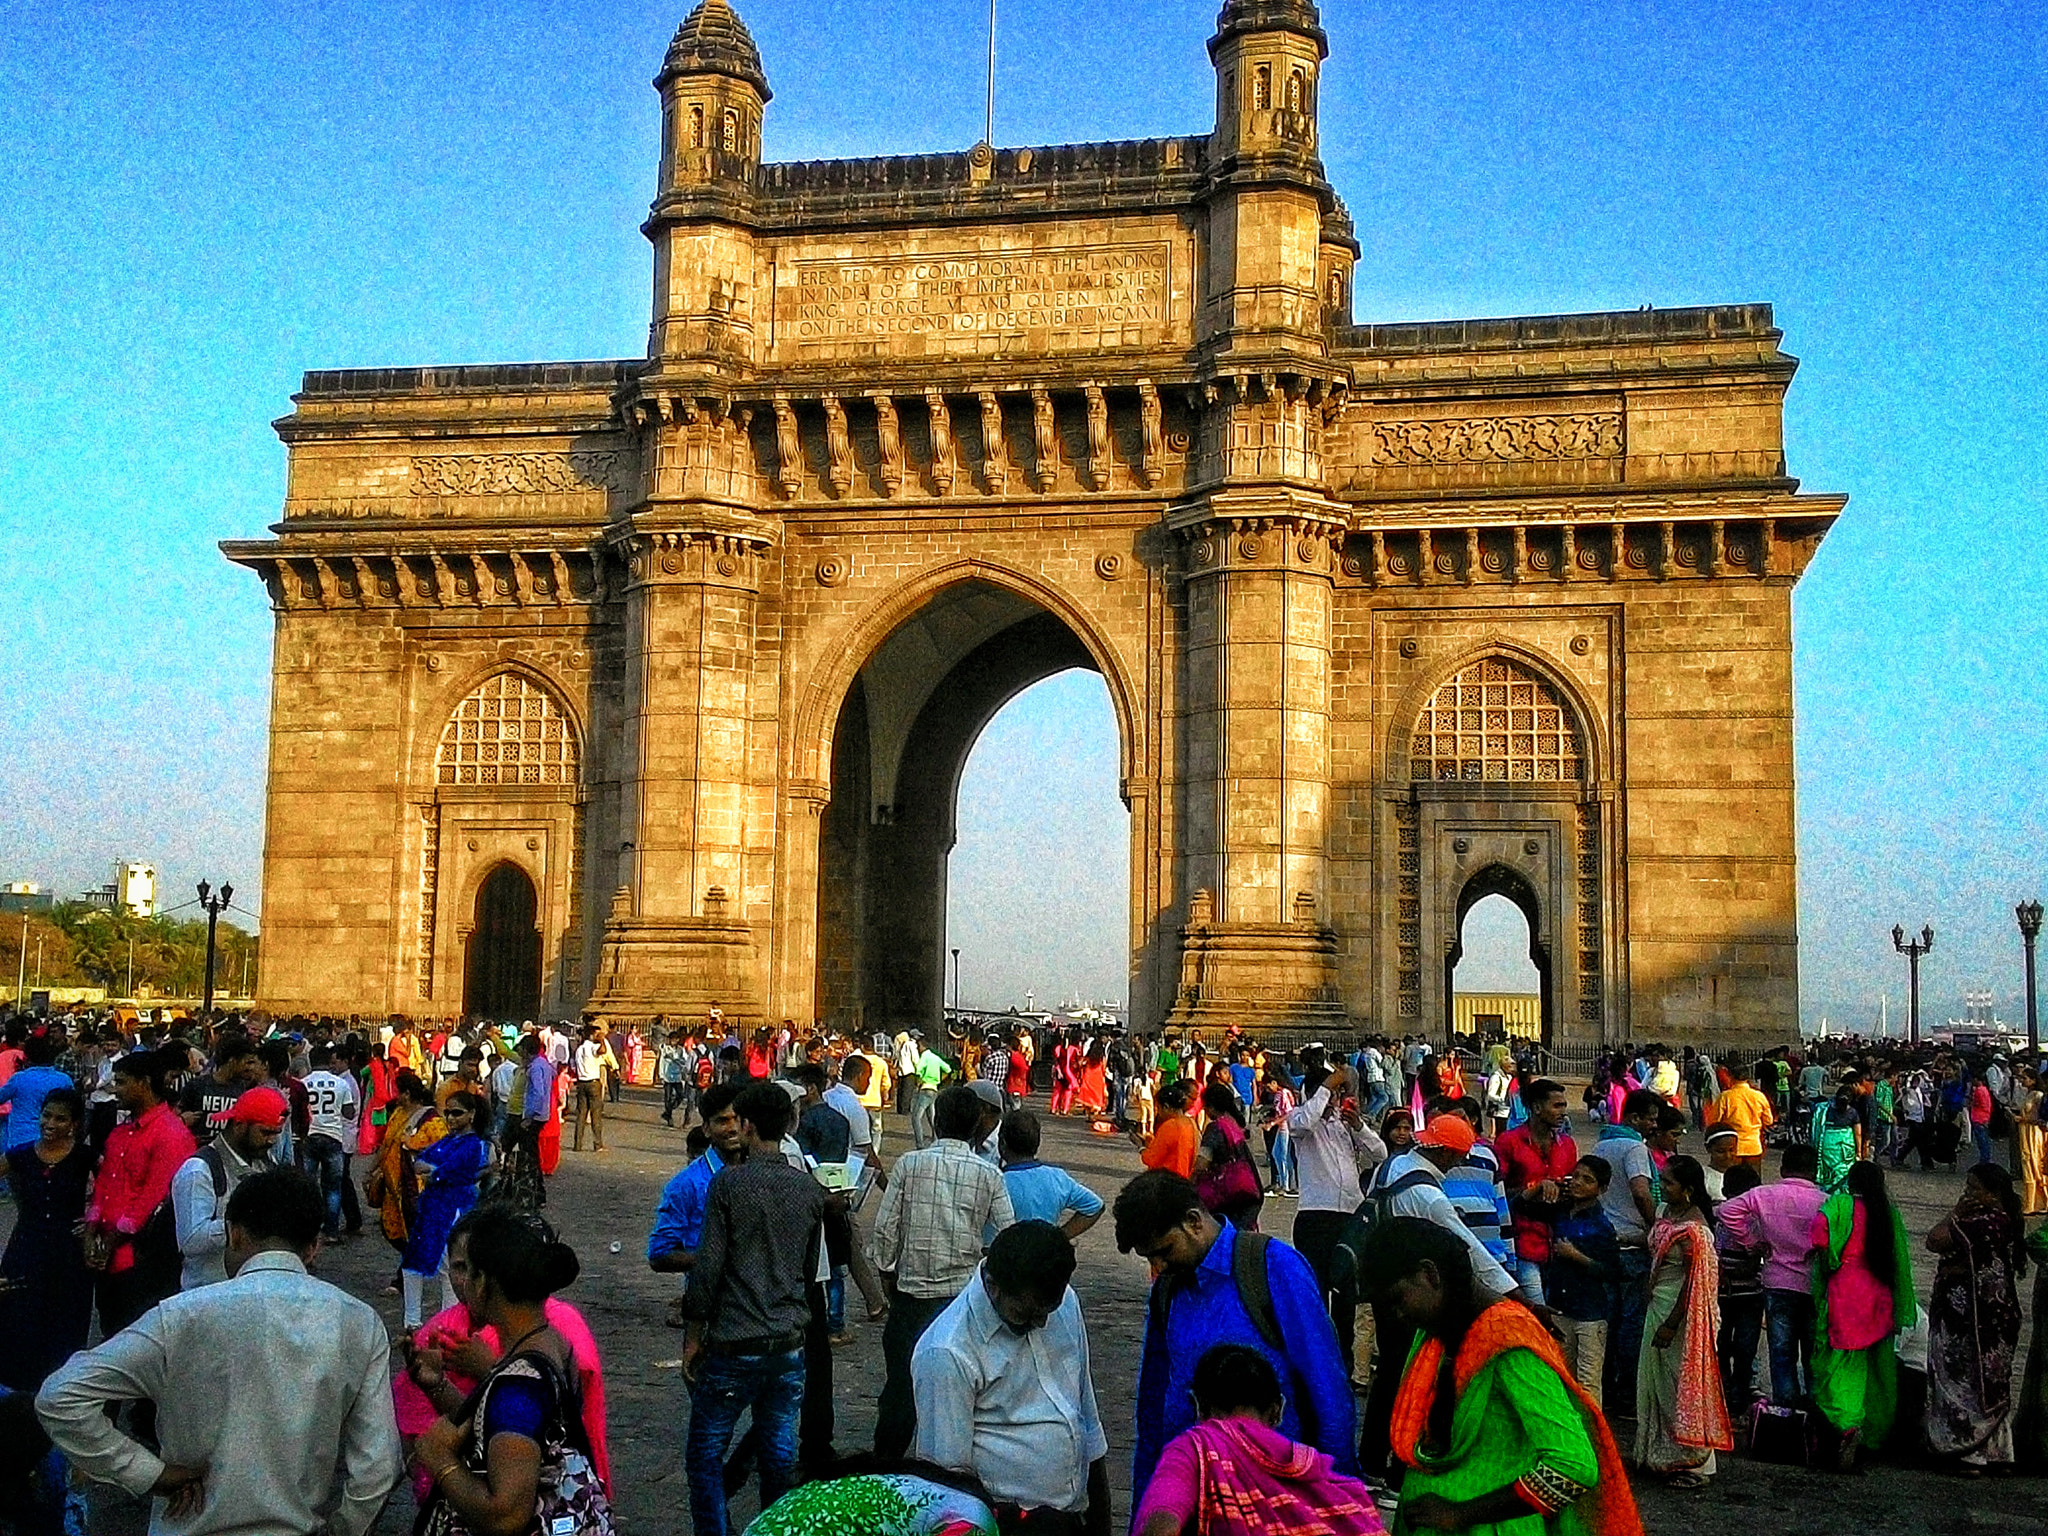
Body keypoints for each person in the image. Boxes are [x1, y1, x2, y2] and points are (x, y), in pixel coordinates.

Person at [37, 1167, 401, 1536]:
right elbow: (379, 1466)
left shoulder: (181, 1316)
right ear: (313, 1247)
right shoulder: (358, 1322)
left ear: (234, 1233)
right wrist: (345, 1528)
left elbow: (60, 1397)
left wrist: (148, 1473)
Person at [1357, 1217, 1642, 1536]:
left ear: (1429, 1274)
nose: (1396, 1314)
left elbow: (1573, 1467)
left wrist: (1462, 1513)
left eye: (1397, 1299)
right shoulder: (1440, 1333)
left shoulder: (1508, 1342)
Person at [1113, 1169, 1357, 1505]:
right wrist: (1149, 1500)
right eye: (1150, 1257)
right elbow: (1153, 1399)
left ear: (1194, 1221)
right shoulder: (1168, 1290)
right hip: (1190, 1494)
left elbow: (1326, 1386)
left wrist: (1338, 1495)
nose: (1158, 1265)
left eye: (1165, 1251)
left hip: (1271, 1495)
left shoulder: (1273, 1267)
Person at [680, 1082, 829, 1536]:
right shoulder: (808, 1189)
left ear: (746, 1125)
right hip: (787, 1341)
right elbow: (808, 1270)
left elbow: (708, 1269)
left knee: (705, 1454)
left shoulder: (729, 1184)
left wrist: (692, 1335)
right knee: (779, 1456)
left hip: (735, 1341)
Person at [410, 1203, 611, 1536]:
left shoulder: (518, 1384)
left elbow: (506, 1515)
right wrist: (438, 1386)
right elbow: (504, 1429)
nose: (460, 1282)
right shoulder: (550, 1342)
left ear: (484, 1282)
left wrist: (439, 1460)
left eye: (467, 1270)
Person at [911, 1222, 1111, 1535]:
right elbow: (947, 1485)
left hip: (1071, 1518)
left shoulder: (1064, 1301)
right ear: (993, 1285)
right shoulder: (946, 1351)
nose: (1042, 1323)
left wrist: (1100, 1517)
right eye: (1025, 1314)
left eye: (1047, 1312)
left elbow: (1086, 1417)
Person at [870, 1086, 1017, 1460]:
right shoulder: (988, 1175)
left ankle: (884, 1469)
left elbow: (885, 1229)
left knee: (901, 1389)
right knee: (957, 1393)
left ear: (934, 1120)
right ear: (975, 1127)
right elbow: (1008, 1234)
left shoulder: (908, 1164)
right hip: (960, 1302)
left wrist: (887, 1269)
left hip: (910, 1296)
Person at [1133, 1344, 1384, 1536]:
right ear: (1277, 1411)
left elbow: (1162, 1524)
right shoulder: (1316, 1475)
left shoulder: (1192, 1450)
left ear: (1197, 1405)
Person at [84, 1048, 198, 1339]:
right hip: (108, 1254)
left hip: (143, 1258)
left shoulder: (170, 1134)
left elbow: (154, 1199)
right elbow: (103, 1185)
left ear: (145, 1082)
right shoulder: (121, 1133)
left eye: (122, 1082)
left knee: (136, 1338)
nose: (115, 1089)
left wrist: (109, 1241)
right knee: (112, 1331)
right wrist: (91, 1232)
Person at [1809, 1159, 1916, 1466]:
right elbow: (1900, 1261)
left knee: (1840, 1365)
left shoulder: (1840, 1204)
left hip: (1845, 1293)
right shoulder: (1888, 1214)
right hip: (1878, 1296)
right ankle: (1871, 1430)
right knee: (1874, 1368)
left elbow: (1819, 1235)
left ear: (1851, 1181)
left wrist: (1830, 1260)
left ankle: (1846, 1424)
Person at [1634, 1155, 1730, 1489]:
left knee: (1679, 1383)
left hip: (1683, 1313)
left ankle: (1694, 1462)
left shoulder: (1696, 1229)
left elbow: (1694, 1282)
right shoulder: (1665, 1213)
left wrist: (1672, 1323)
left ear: (1688, 1190)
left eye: (1669, 1182)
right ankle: (1658, 1453)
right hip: (1657, 1305)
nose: (1662, 1185)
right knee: (1655, 1381)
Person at [1286, 1059, 1387, 1367]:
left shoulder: (1345, 1126)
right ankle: (1316, 1359)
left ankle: (1342, 1358)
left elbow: (1380, 1153)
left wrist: (1358, 1126)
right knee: (1318, 1293)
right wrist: (1326, 1087)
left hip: (1349, 1215)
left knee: (1346, 1297)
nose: (1335, 1099)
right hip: (1317, 1216)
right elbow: (1305, 1120)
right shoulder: (1301, 1121)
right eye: (1332, 1092)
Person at [1925, 1162, 2026, 1468]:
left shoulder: (1981, 1223)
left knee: (1960, 1380)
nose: (1967, 1193)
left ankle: (1967, 1449)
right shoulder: (2006, 1220)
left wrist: (1955, 1211)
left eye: (1973, 1188)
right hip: (1994, 1315)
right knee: (1989, 1382)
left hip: (1969, 1317)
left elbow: (1934, 1240)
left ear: (1991, 1192)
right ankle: (1995, 1452)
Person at [1715, 1143, 1828, 1407]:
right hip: (1813, 1284)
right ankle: (1814, 1409)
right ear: (1814, 1171)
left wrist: (1752, 1240)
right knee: (1813, 1351)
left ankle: (1784, 1409)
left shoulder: (1763, 1194)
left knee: (1781, 1351)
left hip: (1777, 1282)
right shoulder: (1826, 1201)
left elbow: (1726, 1211)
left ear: (1783, 1168)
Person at [0, 1090, 94, 1392]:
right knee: (19, 1328)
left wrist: (96, 1219)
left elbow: (116, 1190)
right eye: (47, 1115)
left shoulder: (85, 1158)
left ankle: (59, 1402)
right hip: (25, 1254)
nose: (50, 1123)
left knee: (64, 1332)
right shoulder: (20, 1156)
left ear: (75, 1124)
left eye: (60, 1118)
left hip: (69, 1259)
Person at [1589, 1089, 1662, 1415]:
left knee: (1607, 1319)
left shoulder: (1601, 1144)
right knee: (1632, 1322)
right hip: (1632, 1245)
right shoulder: (1634, 1148)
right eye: (1650, 1118)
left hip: (1605, 1241)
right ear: (1633, 1117)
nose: (1653, 1125)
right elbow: (1641, 1191)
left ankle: (1602, 1386)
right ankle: (1627, 1392)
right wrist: (1657, 1226)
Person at [172, 1086, 286, 1290]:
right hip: (206, 1294)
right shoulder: (198, 1170)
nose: (272, 1140)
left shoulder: (264, 1161)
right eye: (265, 1132)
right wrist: (247, 1221)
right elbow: (191, 1242)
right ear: (240, 1125)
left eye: (276, 1133)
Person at [402, 1091, 492, 1328]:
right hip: (431, 1207)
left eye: (457, 1113)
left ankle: (449, 1321)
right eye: (448, 1113)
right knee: (414, 1260)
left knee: (448, 1263)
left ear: (471, 1115)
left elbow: (440, 1172)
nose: (451, 1118)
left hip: (453, 1208)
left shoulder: (473, 1145)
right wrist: (433, 1171)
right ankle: (411, 1321)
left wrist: (433, 1171)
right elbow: (421, 1161)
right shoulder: (449, 1140)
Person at [1494, 1079, 1579, 1305]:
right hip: (1523, 1240)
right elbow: (1498, 1192)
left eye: (1564, 1106)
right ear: (1537, 1108)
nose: (1563, 1112)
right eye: (1557, 1106)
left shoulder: (1567, 1145)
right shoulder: (1509, 1142)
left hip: (1560, 1242)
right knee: (1536, 1311)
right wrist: (1536, 1187)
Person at [1545, 1156, 1620, 1407]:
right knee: (1560, 1376)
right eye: (1575, 1176)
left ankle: (1592, 1440)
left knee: (1587, 1383)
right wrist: (1544, 1186)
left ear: (1601, 1189)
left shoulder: (1602, 1226)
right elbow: (1522, 1206)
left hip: (1590, 1313)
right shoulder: (1560, 1211)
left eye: (1587, 1180)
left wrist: (1576, 1257)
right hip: (1560, 1305)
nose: (1577, 1183)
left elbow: (1611, 1271)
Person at [997, 1111, 1104, 1239]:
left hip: (1005, 1254)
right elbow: (1095, 1206)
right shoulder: (1057, 1177)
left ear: (1002, 1143)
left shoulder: (997, 1181)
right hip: (1046, 1253)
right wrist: (1059, 1236)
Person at [1715, 1164, 1767, 1417]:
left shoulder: (1719, 1217)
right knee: (1736, 1347)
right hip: (1745, 1294)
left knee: (1732, 1346)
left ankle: (1733, 1395)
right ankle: (1730, 1393)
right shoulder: (1754, 1220)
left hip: (1738, 1294)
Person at [301, 1043, 361, 1241]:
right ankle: (332, 1231)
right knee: (333, 1188)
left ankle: (308, 1230)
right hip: (333, 1137)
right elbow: (349, 1113)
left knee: (308, 1186)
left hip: (309, 1137)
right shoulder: (341, 1084)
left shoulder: (303, 1083)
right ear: (328, 1061)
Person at [1193, 1082, 1264, 1231]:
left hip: (1227, 1195)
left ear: (1212, 1106)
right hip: (1246, 1191)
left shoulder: (1215, 1128)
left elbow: (1201, 1164)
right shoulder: (1233, 1125)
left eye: (1206, 1106)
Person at [0, 1034, 74, 1153]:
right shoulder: (64, 1080)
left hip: (21, 1140)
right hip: (55, 1138)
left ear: (27, 1056)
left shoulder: (19, 1079)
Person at [1705, 1064, 1774, 1171]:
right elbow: (1768, 1120)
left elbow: (1714, 1121)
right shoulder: (1759, 1096)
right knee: (1753, 1179)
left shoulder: (1725, 1096)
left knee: (1733, 1180)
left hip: (1732, 1147)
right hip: (1753, 1146)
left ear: (1731, 1077)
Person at [1131, 1079, 1198, 1179]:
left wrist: (1141, 1147)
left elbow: (1152, 1159)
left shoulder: (1169, 1126)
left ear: (1166, 1107)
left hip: (1168, 1180)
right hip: (1185, 1179)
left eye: (1159, 1108)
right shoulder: (1190, 1123)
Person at [1811, 1081, 1863, 1191]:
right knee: (1844, 1172)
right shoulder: (1853, 1112)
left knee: (1828, 1171)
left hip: (1828, 1144)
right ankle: (1842, 1194)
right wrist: (1859, 1152)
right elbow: (1858, 1134)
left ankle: (1826, 1193)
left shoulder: (1825, 1110)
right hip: (1846, 1147)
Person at [2015, 1065, 2048, 1216]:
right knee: (2027, 1163)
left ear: (2033, 1080)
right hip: (2024, 1131)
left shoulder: (2038, 1095)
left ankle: (2039, 1201)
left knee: (2034, 1164)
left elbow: (2037, 1117)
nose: (2022, 1081)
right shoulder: (2028, 1094)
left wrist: (2021, 1118)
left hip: (2033, 1133)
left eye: (2025, 1078)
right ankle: (2031, 1201)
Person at [571, 1024, 608, 1153]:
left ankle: (577, 1144)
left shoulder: (579, 1049)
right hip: (593, 1082)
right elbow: (603, 1051)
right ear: (591, 1035)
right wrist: (602, 1039)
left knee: (581, 1115)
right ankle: (597, 1144)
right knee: (595, 1115)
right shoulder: (591, 1047)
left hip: (581, 1083)